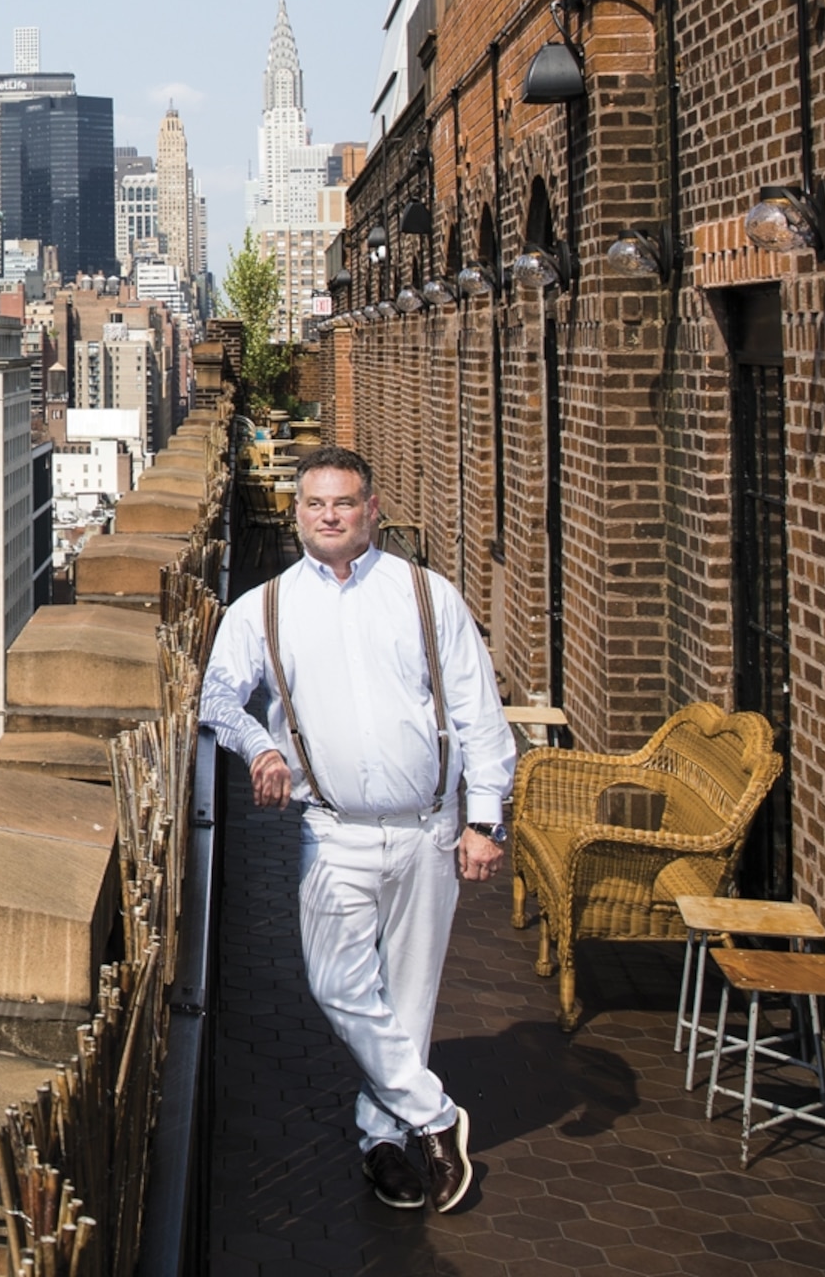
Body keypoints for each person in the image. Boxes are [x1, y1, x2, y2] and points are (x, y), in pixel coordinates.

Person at [200, 445, 516, 1215]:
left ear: (370, 509)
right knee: (336, 982)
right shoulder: (263, 609)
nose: (329, 516)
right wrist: (261, 744)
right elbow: (216, 697)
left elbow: (479, 711)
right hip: (332, 832)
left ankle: (383, 1139)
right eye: (315, 505)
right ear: (297, 513)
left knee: (410, 995)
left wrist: (485, 819)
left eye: (344, 503)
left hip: (429, 830)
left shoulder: (424, 594)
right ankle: (437, 1116)